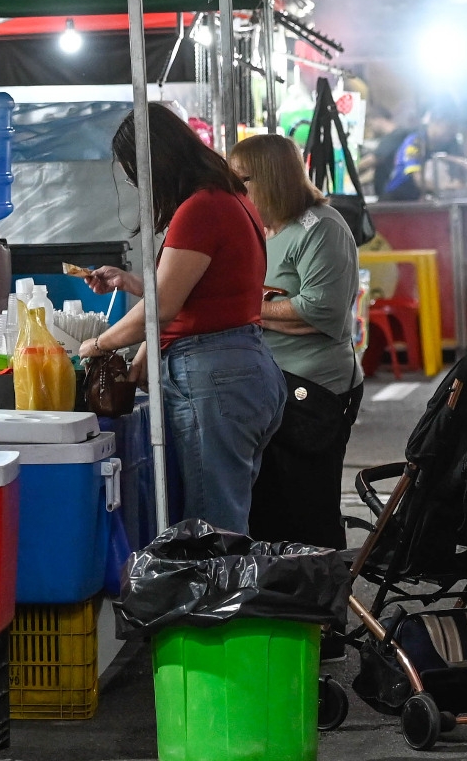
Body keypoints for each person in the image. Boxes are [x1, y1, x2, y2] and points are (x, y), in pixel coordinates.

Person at [83, 104, 281, 534]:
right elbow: (194, 294)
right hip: (240, 368)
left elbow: (162, 308)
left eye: (137, 171)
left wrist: (97, 345)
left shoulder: (202, 207)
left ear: (157, 161)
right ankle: (225, 596)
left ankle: (220, 601)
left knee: (213, 525)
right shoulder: (231, 199)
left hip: (215, 377)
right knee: (224, 516)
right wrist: (140, 354)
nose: (139, 185)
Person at [229, 133, 363, 548]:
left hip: (313, 391)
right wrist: (274, 309)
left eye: (240, 181)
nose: (234, 191)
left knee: (308, 511)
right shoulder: (265, 229)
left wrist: (246, 306)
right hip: (270, 385)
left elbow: (320, 313)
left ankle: (323, 606)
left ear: (268, 179)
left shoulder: (320, 227)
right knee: (272, 510)